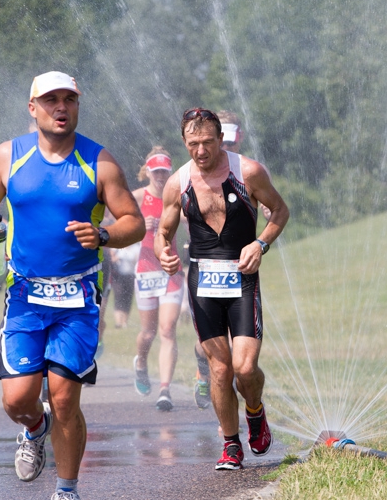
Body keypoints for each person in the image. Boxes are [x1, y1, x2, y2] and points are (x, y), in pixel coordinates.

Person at [0, 71, 145, 500]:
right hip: (25, 295)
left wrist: (103, 234)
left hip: (78, 296)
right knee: (17, 400)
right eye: (51, 100)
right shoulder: (8, 156)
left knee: (65, 397)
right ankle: (35, 426)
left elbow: (134, 221)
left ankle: (67, 492)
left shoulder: (99, 162)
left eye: (69, 99)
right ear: (33, 108)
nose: (61, 107)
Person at [156, 108, 289, 471]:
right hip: (203, 281)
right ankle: (231, 444)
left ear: (220, 139)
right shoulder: (178, 182)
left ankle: (255, 411)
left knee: (244, 368)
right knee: (219, 370)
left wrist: (260, 244)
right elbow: (163, 232)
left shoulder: (248, 172)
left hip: (242, 277)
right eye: (193, 144)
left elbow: (279, 211)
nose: (200, 151)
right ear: (184, 142)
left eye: (207, 142)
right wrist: (163, 252)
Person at [131, 147, 185, 411]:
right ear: (148, 172)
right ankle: (141, 362)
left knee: (167, 329)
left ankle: (165, 390)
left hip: (171, 269)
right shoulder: (138, 197)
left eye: (165, 172)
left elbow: (191, 219)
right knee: (148, 332)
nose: (161, 177)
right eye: (157, 172)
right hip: (146, 271)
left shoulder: (176, 196)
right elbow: (112, 221)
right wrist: (140, 225)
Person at [109, 242, 139, 328]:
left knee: (128, 298)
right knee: (118, 297)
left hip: (130, 276)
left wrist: (129, 257)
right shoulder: (116, 247)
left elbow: (137, 260)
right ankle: (118, 322)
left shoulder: (136, 247)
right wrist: (118, 257)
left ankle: (124, 322)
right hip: (118, 276)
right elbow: (111, 259)